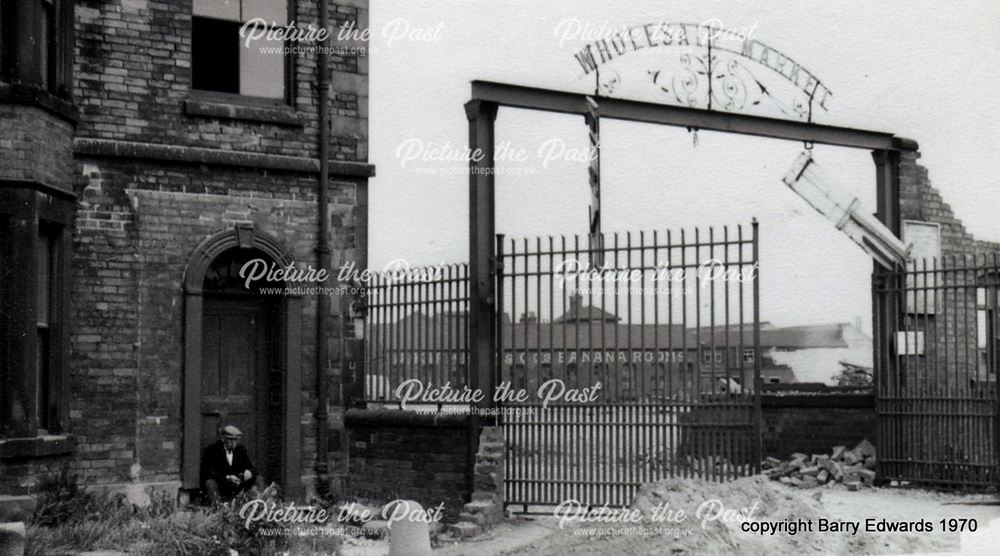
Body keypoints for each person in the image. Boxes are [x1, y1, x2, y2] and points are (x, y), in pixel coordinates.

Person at [201, 425, 258, 504]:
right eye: (231, 440)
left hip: (237, 485)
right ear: (223, 439)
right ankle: (218, 508)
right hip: (221, 485)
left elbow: (251, 468)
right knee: (210, 483)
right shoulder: (212, 450)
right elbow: (207, 472)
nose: (234, 443)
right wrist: (226, 477)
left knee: (258, 479)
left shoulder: (241, 450)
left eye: (236, 440)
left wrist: (246, 474)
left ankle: (253, 505)